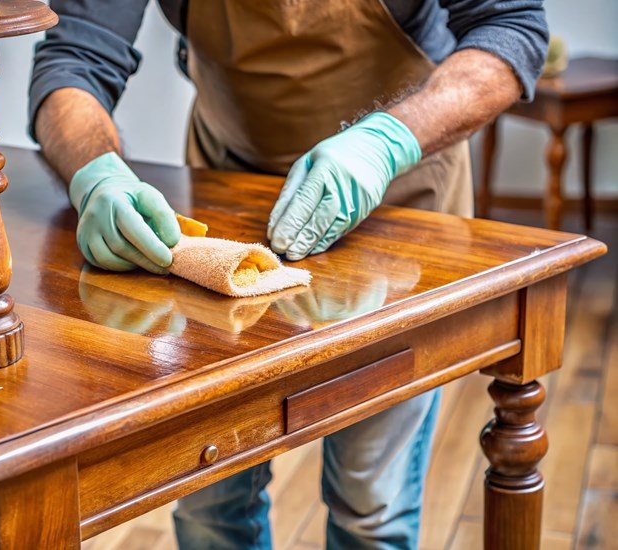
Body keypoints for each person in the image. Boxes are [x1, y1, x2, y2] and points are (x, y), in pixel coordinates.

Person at [29, 1, 548, 547]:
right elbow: (73, 58)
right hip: (225, 197)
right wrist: (96, 172)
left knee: (371, 505)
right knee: (210, 498)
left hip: (401, 200)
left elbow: (513, 28)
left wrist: (385, 143)